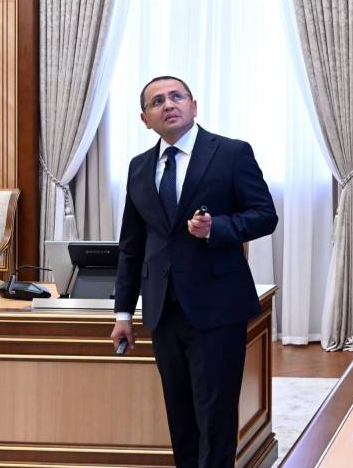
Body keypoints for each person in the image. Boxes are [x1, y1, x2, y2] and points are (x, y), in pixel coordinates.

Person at [111, 76, 278, 467]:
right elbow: (131, 246)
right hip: (162, 310)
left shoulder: (231, 153)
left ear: (193, 106)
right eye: (157, 101)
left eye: (176, 96)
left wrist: (216, 228)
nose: (168, 104)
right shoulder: (139, 167)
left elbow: (264, 215)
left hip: (217, 306)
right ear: (145, 119)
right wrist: (123, 314)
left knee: (215, 416)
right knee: (181, 416)